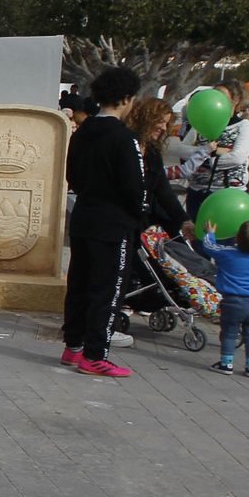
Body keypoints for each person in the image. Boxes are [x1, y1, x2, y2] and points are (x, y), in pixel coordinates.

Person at [61, 66, 145, 379]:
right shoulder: (124, 138)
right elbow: (135, 186)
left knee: (79, 284)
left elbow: (72, 175)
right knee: (107, 290)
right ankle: (95, 354)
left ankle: (73, 345)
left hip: (84, 215)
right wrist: (140, 215)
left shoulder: (82, 133)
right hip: (113, 223)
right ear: (126, 98)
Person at [122, 97, 197, 243]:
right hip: (121, 219)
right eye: (161, 122)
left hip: (143, 220)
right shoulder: (125, 144)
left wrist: (184, 220)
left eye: (167, 124)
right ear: (147, 119)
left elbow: (163, 190)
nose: (163, 128)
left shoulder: (152, 152)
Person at [203, 218, 249, 377]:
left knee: (229, 333)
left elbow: (208, 246)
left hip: (233, 302)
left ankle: (226, 364)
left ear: (237, 238)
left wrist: (210, 233)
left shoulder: (226, 253)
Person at [184, 82, 249, 225]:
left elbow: (237, 157)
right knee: (196, 233)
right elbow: (181, 150)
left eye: (221, 96)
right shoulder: (200, 124)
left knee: (223, 235)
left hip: (228, 193)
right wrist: (211, 151)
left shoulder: (244, 126)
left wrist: (204, 158)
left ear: (236, 100)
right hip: (198, 190)